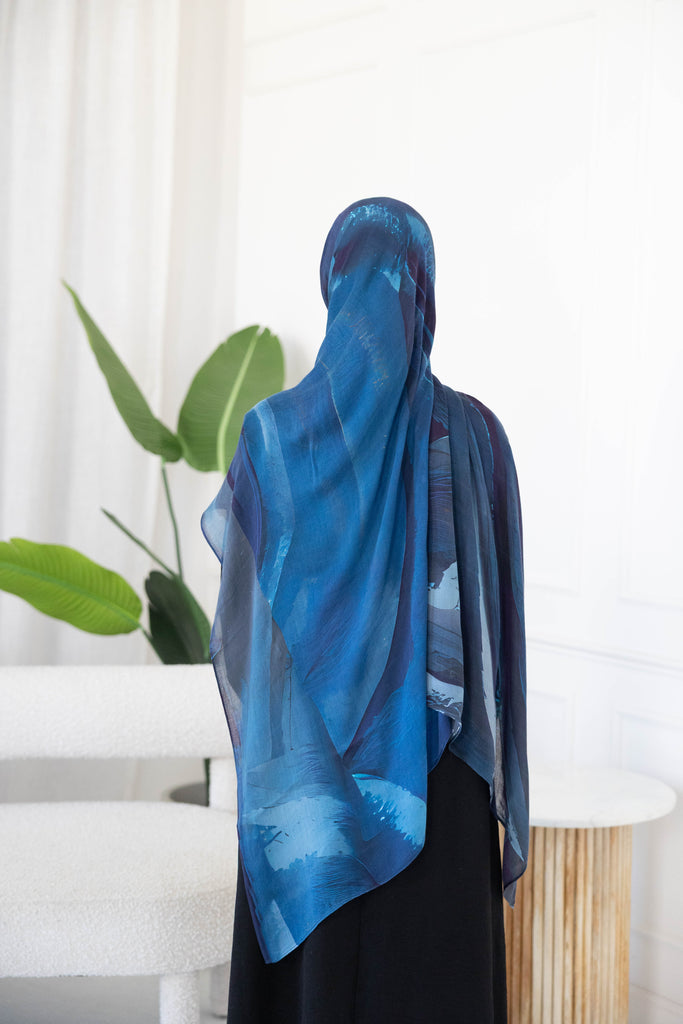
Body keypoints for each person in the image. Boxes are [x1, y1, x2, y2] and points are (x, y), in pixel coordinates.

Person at [202, 197, 528, 1023]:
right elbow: (495, 639)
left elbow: (248, 635)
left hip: (306, 784)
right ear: (425, 293)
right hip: (438, 775)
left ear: (333, 283)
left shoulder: (275, 436)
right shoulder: (476, 435)